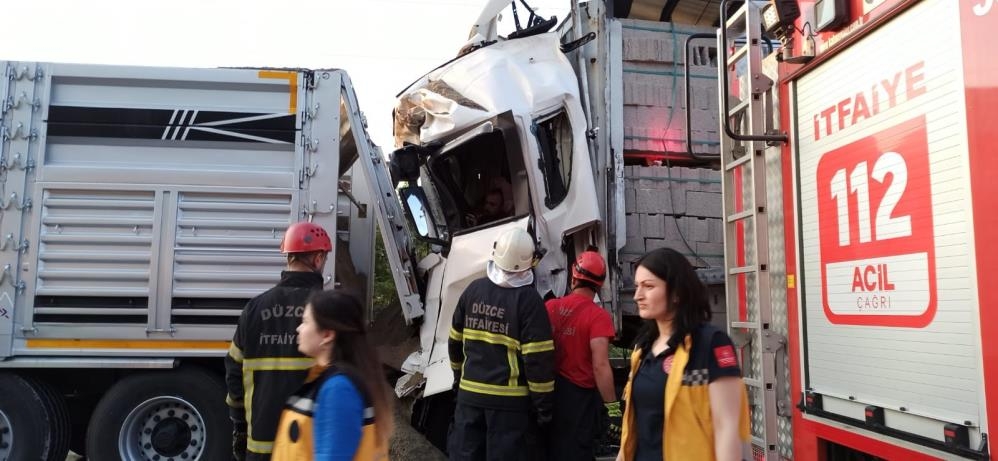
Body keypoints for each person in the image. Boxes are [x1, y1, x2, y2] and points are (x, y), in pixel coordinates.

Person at [616, 247, 750, 461]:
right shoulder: (643, 349)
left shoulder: (711, 343)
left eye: (648, 286)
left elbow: (727, 428)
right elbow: (634, 429)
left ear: (677, 293)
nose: (637, 296)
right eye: (637, 286)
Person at [225, 221, 332, 461]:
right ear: (317, 259)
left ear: (288, 256)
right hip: (308, 447)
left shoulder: (254, 308)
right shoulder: (328, 311)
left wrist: (239, 424)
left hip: (261, 446)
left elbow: (234, 371)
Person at [447, 227, 556, 461]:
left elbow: (454, 342)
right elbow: (538, 361)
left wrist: (458, 378)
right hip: (509, 408)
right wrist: (543, 408)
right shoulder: (529, 301)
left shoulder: (473, 290)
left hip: (469, 399)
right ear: (529, 262)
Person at [271, 291, 392, 460]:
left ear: (327, 335)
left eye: (305, 322)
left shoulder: (339, 389)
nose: (298, 328)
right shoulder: (332, 380)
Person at [544, 250, 620, 461]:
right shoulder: (598, 317)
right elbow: (600, 366)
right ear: (600, 284)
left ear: (574, 276)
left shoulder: (550, 307)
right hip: (579, 400)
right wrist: (613, 409)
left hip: (548, 393)